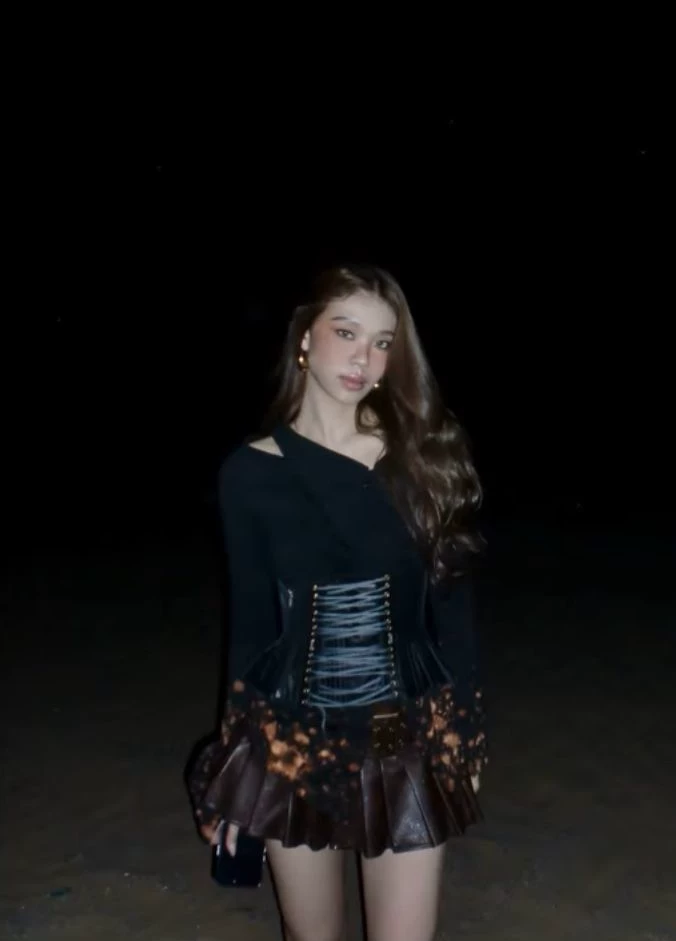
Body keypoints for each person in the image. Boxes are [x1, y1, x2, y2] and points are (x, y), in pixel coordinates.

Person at [188, 263, 488, 941]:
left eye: (382, 342)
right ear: (305, 337)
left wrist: (466, 737)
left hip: (398, 729)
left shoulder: (418, 459)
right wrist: (234, 763)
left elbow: (454, 613)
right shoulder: (249, 474)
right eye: (346, 332)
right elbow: (251, 630)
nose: (364, 358)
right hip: (293, 737)